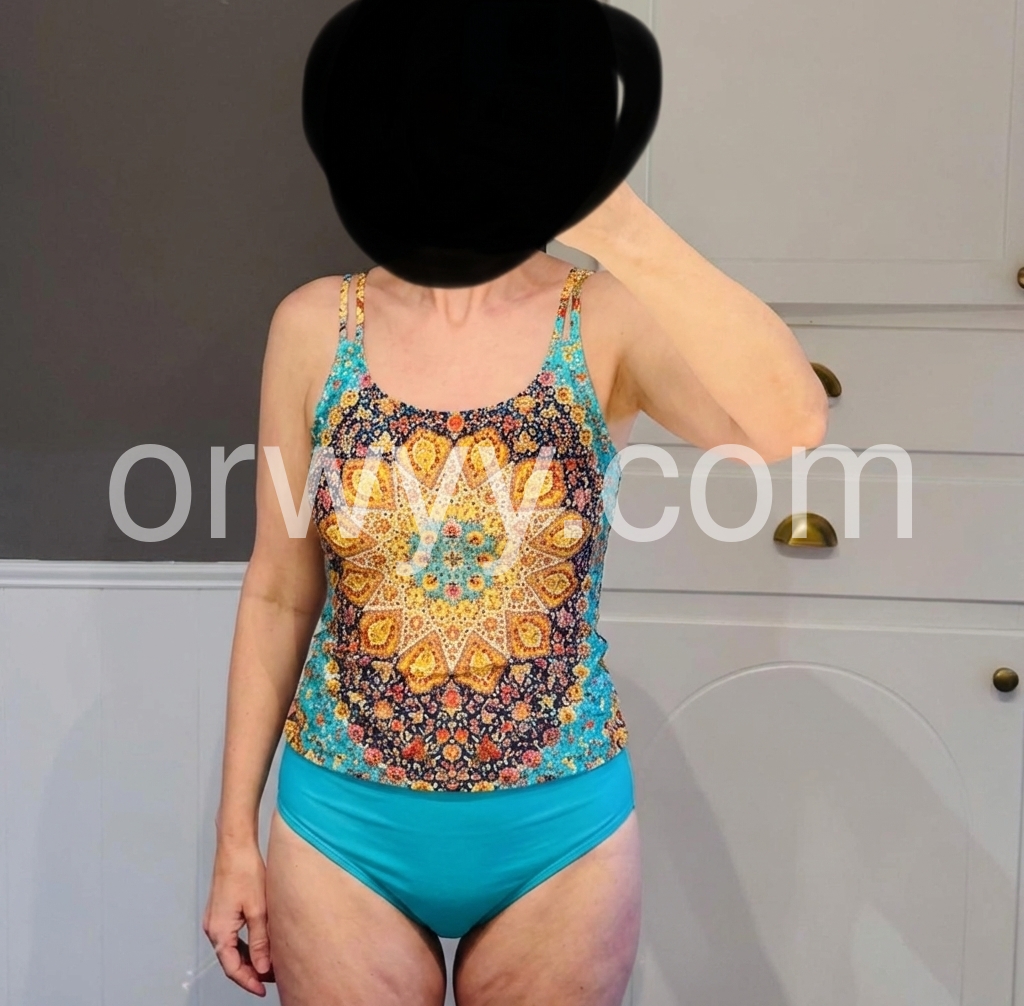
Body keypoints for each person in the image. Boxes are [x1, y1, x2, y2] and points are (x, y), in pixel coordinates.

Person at [201, 173, 829, 1005]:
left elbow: (791, 424)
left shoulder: (602, 316)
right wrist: (233, 837)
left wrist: (626, 228)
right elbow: (279, 592)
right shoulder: (317, 324)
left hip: (559, 839)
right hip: (341, 832)